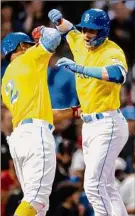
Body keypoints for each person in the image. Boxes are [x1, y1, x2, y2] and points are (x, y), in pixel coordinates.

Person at [48, 8, 129, 216]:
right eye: (85, 29)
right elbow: (70, 31)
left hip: (108, 123)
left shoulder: (112, 51)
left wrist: (81, 69)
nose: (86, 34)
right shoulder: (81, 42)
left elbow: (118, 74)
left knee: (93, 185)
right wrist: (58, 19)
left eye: (92, 30)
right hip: (89, 125)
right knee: (108, 187)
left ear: (103, 31)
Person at [1, 28, 61, 216]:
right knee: (36, 201)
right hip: (36, 135)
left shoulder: (5, 81)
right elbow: (54, 37)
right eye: (29, 44)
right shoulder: (28, 58)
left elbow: (41, 110)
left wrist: (73, 112)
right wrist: (42, 31)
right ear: (20, 46)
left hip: (20, 138)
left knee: (36, 207)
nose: (33, 46)